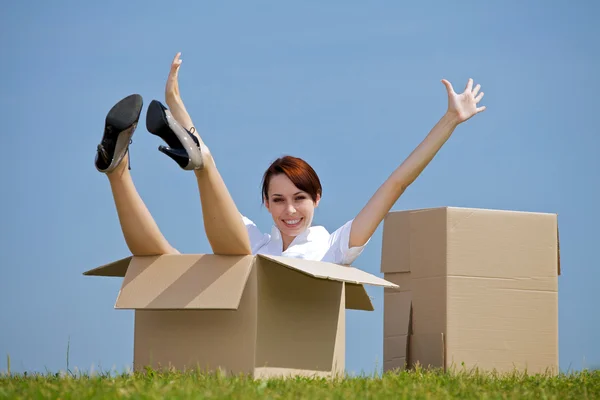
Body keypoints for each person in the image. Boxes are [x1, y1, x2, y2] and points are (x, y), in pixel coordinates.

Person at [95, 52, 486, 266]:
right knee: (158, 261)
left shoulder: (334, 247)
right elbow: (222, 207)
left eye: (300, 197)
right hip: (241, 290)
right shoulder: (258, 242)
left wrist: (449, 121)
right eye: (278, 200)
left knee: (231, 254)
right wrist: (177, 104)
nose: (290, 210)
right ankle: (118, 171)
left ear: (317, 199)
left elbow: (397, 183)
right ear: (265, 204)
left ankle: (200, 161)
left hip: (250, 287)